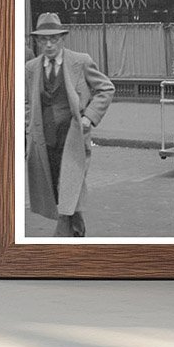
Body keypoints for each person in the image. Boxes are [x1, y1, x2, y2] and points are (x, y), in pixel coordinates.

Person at [25, 13, 114, 238]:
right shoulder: (32, 68)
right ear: (37, 42)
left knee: (70, 185)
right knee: (57, 188)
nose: (48, 44)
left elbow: (106, 88)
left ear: (62, 38)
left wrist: (89, 117)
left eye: (53, 39)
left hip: (73, 138)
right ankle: (77, 230)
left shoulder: (80, 61)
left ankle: (60, 242)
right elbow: (26, 100)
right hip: (44, 140)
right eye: (43, 40)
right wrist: (29, 124)